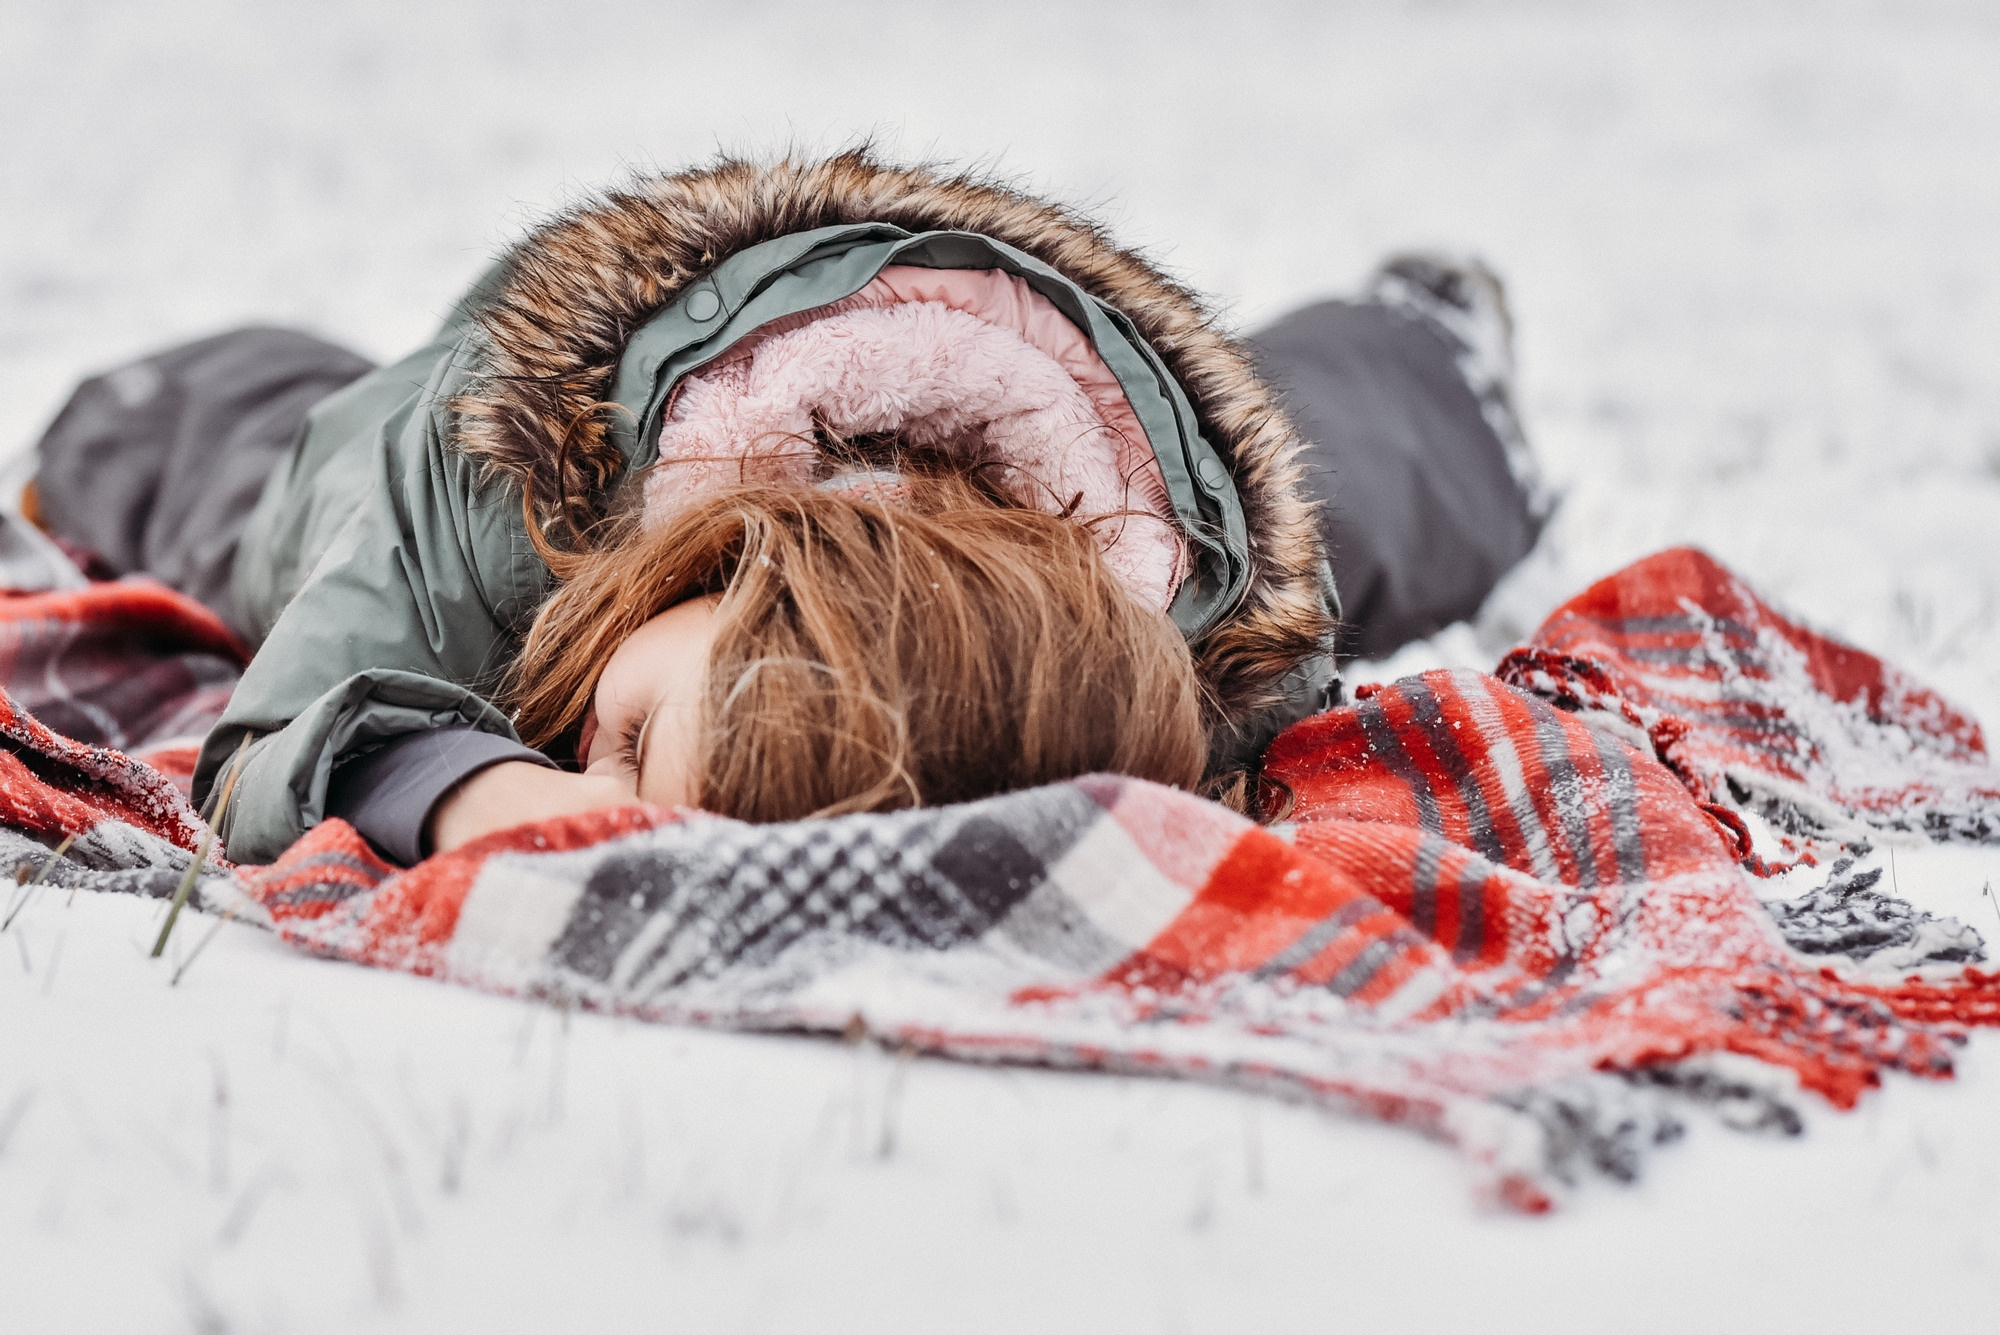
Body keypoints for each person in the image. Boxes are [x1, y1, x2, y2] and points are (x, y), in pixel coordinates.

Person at [22, 151, 1546, 865]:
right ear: (727, 576)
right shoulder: (483, 486)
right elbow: (276, 736)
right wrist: (482, 789)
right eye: (630, 749)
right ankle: (133, 405)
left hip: (1031, 436)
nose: (593, 786)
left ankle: (1421, 353)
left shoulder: (1162, 658)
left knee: (1334, 507)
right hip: (500, 417)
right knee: (253, 498)